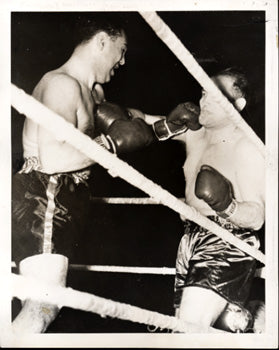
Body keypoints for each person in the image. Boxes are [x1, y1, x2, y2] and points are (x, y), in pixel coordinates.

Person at [12, 14, 201, 333]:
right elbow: (54, 158)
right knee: (43, 304)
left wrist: (172, 125)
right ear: (102, 41)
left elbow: (133, 125)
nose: (123, 61)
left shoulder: (93, 93)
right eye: (121, 50)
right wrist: (111, 143)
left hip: (61, 201)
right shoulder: (61, 85)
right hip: (44, 196)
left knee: (46, 303)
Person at [170, 67, 265, 332]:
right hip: (190, 239)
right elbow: (140, 126)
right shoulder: (194, 134)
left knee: (188, 330)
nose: (204, 101)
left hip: (226, 238)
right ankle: (249, 316)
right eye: (203, 92)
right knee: (179, 324)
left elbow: (257, 217)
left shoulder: (247, 147)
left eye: (215, 95)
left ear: (238, 104)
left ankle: (243, 314)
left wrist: (226, 204)